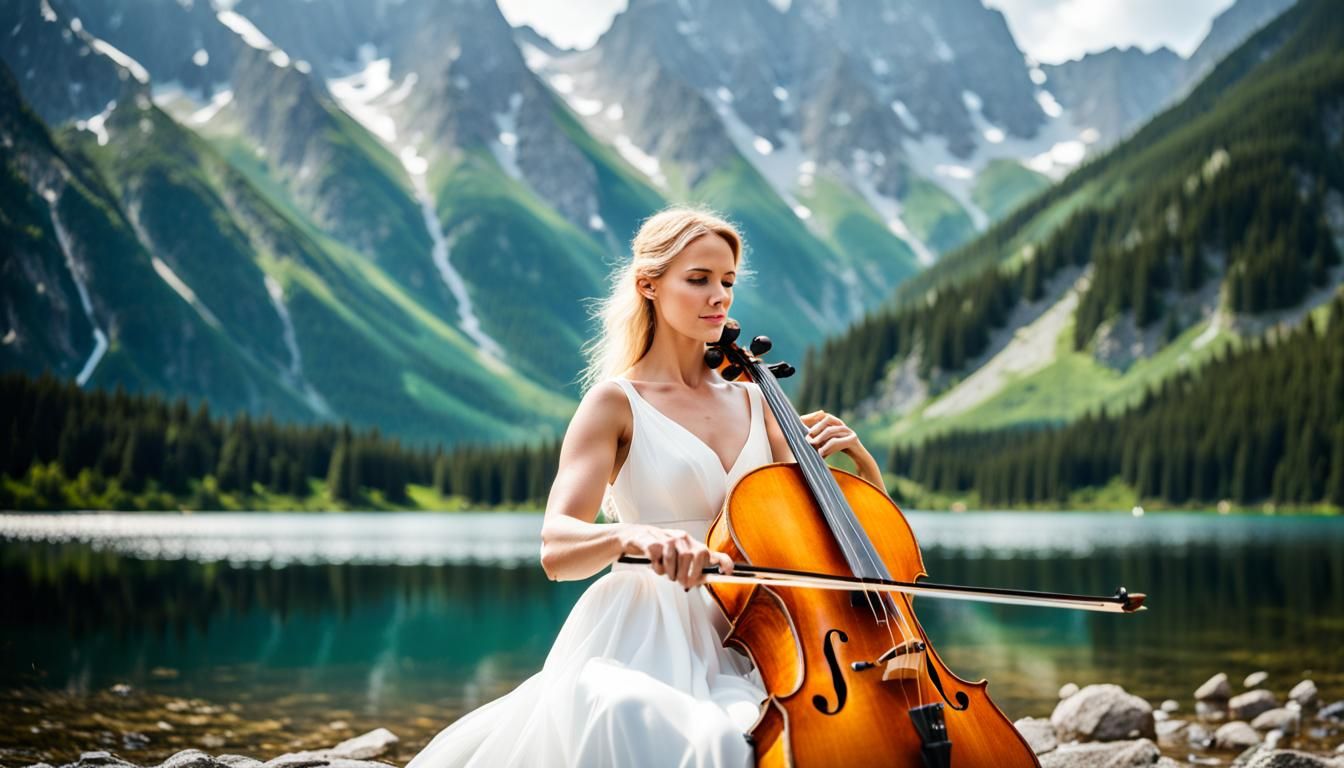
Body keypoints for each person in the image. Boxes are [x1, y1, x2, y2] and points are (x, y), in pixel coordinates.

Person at [405, 206, 884, 768]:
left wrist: (862, 463)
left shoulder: (759, 401)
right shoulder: (615, 402)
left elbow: (841, 540)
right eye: (698, 279)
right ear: (648, 285)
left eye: (727, 281)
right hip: (646, 633)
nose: (719, 297)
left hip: (761, 631)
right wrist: (634, 537)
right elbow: (556, 547)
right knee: (714, 741)